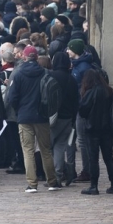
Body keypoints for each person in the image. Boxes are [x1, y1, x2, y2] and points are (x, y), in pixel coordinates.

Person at [6, 45, 61, 192]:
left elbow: (12, 97)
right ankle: (52, 181)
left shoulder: (18, 74)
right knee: (46, 150)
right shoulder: (45, 73)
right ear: (36, 57)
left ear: (24, 57)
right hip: (42, 115)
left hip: (24, 116)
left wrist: (19, 110)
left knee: (28, 151)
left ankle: (32, 183)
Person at [78, 69, 113, 195]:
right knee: (108, 158)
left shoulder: (90, 92)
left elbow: (83, 111)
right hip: (107, 130)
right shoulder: (109, 91)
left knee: (93, 158)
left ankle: (94, 186)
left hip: (92, 129)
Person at [49, 52, 79, 186]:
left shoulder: (50, 76)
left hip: (51, 117)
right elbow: (76, 101)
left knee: (48, 147)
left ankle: (50, 176)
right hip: (67, 117)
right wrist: (73, 118)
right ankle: (58, 175)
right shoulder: (71, 79)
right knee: (60, 147)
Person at [67, 38, 93, 183]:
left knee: (82, 140)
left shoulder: (82, 67)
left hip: (81, 107)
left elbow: (81, 89)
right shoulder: (79, 65)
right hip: (79, 105)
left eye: (69, 49)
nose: (67, 51)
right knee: (80, 140)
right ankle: (86, 169)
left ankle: (87, 170)